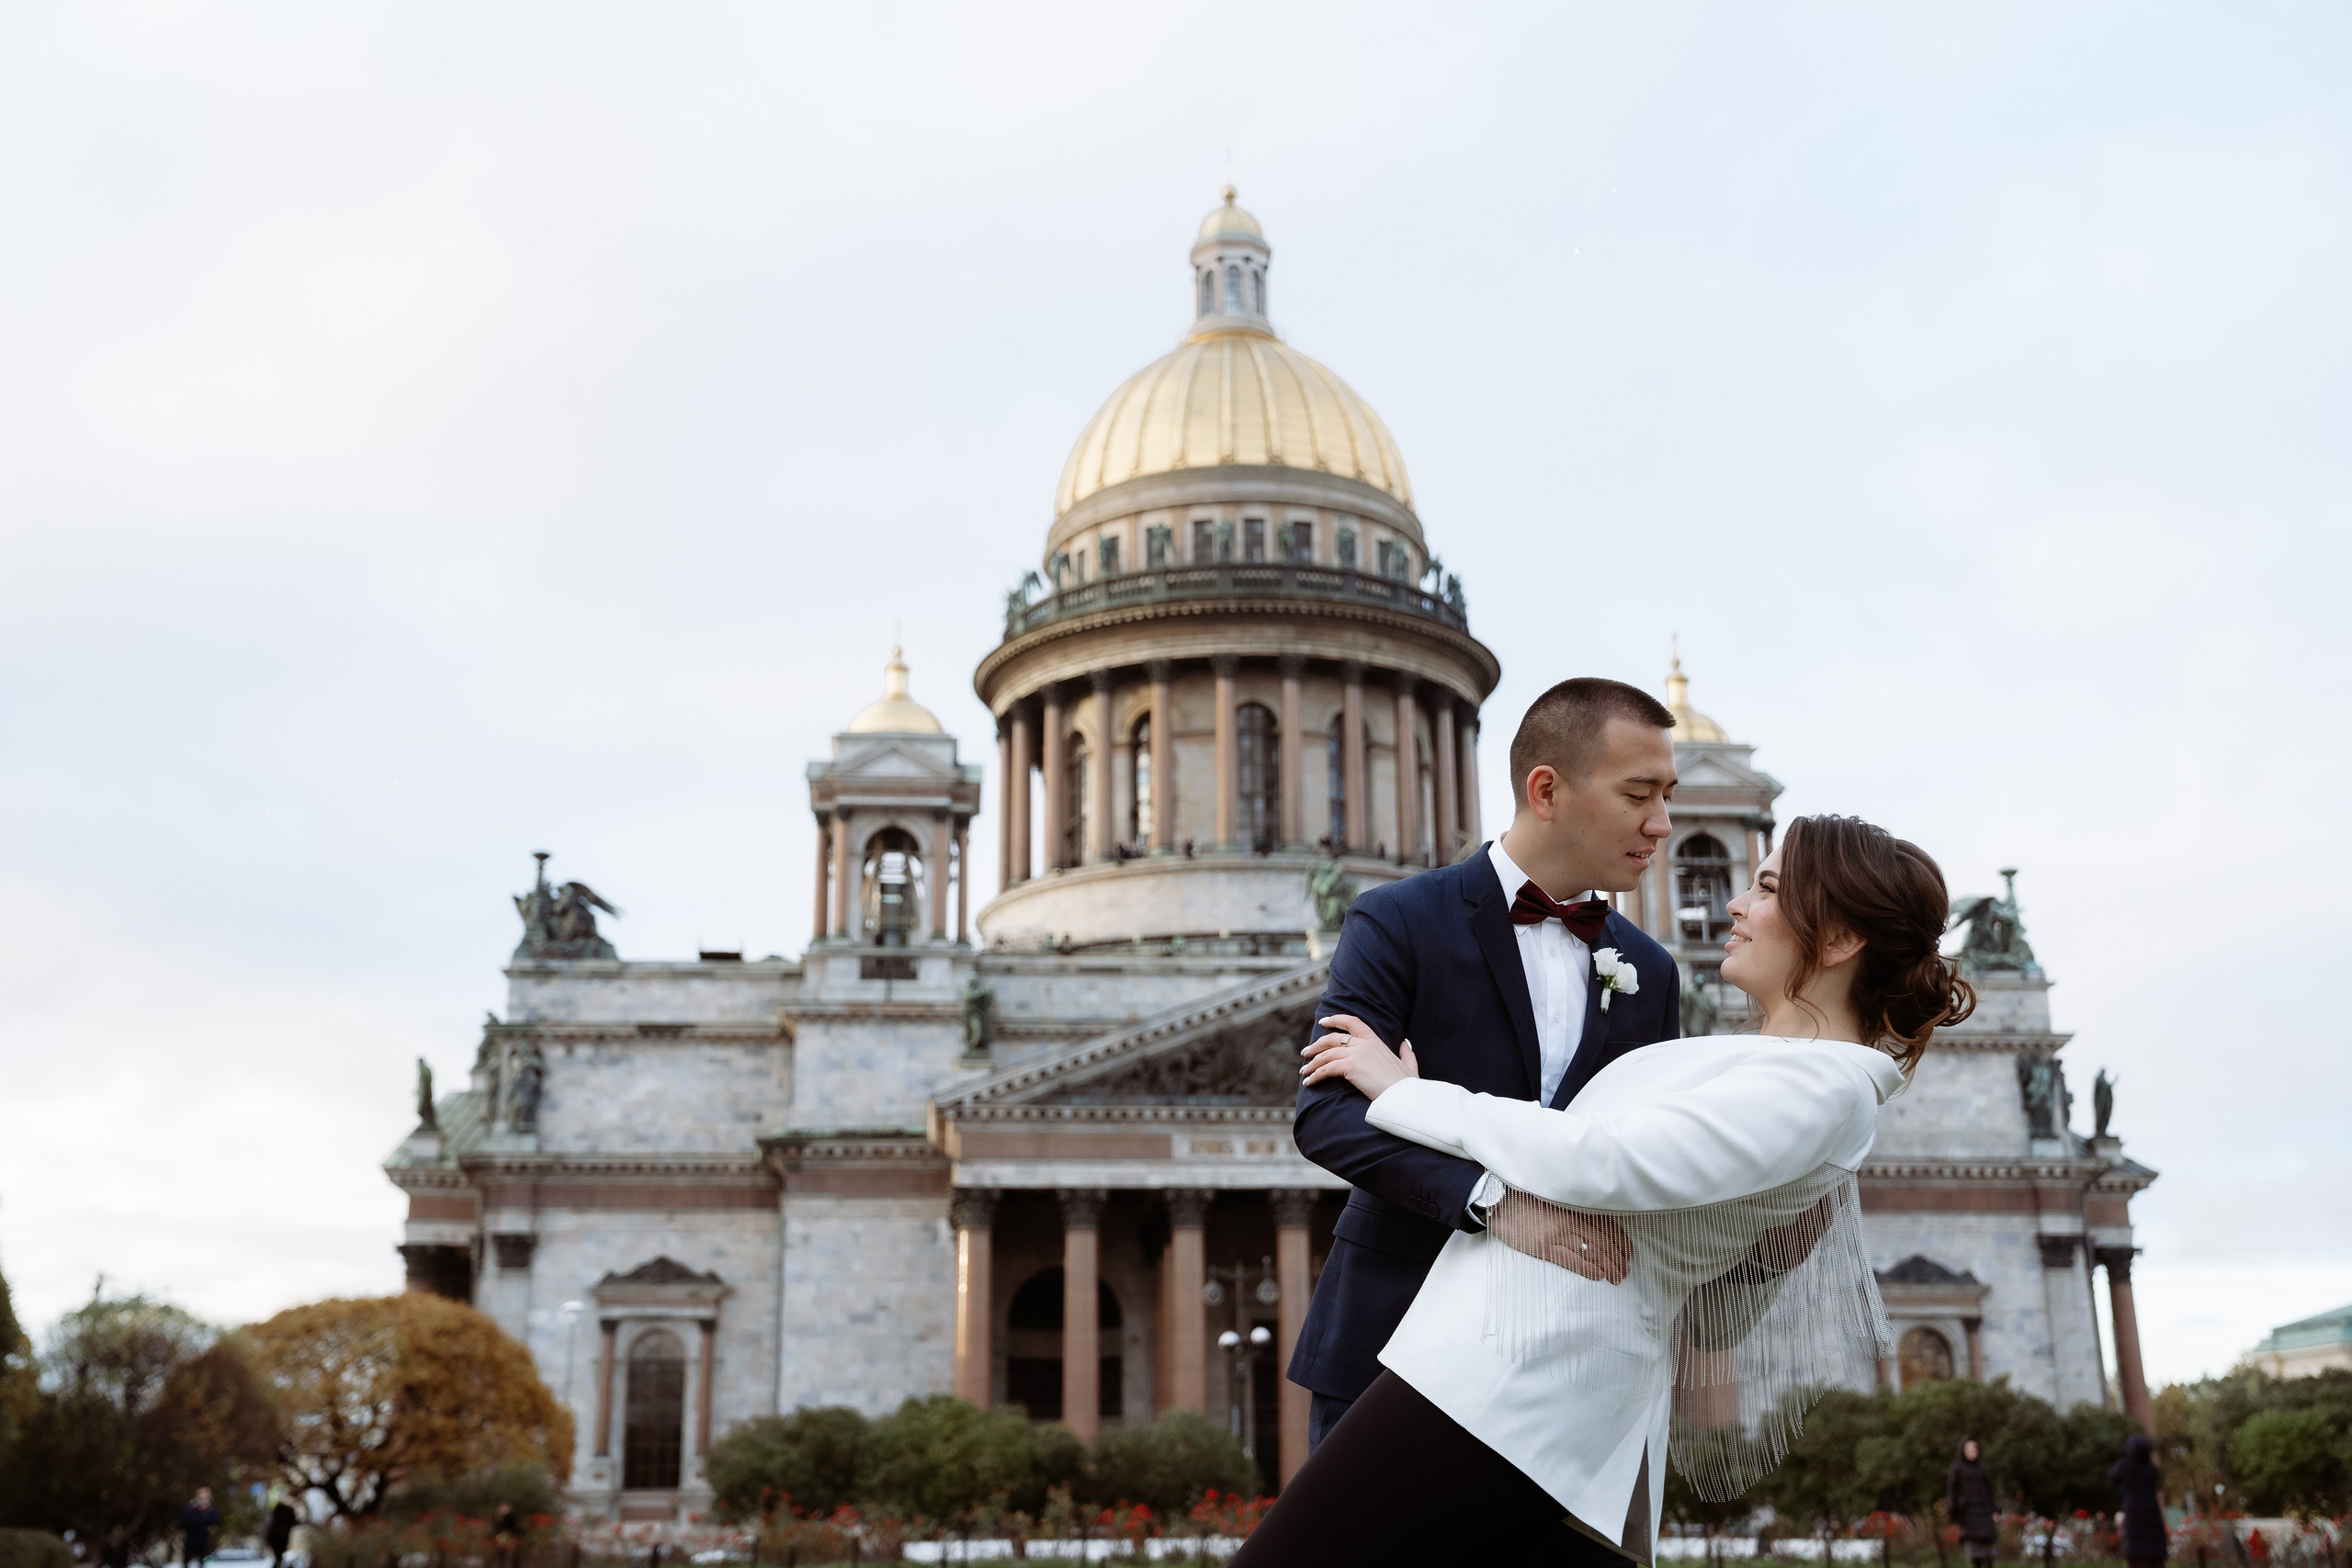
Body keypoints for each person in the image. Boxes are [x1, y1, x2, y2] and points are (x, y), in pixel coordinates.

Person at [1238, 814, 1975, 1567]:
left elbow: (1603, 1160)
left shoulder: (1827, 1085)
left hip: (1517, 1383)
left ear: (1842, 938)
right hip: (1501, 1374)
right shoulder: (1770, 1065)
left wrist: (1405, 1093)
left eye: (1765, 887)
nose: (1735, 904)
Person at [1287, 678, 1684, 1476]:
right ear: (1547, 790)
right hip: (1394, 1341)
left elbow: (1643, 1159)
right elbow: (1325, 1116)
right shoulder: (1397, 920)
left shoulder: (1650, 969)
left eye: (1668, 796)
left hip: (1571, 1365)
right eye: (1639, 794)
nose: (1663, 824)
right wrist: (1495, 1204)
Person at [2111, 1433, 2167, 1568]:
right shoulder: (2152, 1470)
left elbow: (2113, 1474)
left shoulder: (2127, 1467)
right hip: (2154, 1530)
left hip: (2135, 1533)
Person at [1950, 1438, 1998, 1568]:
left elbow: (1989, 1491)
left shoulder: (1982, 1468)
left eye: (1975, 1449)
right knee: (1975, 1554)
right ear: (1963, 1451)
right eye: (1969, 1449)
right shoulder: (1957, 1468)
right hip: (1969, 1514)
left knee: (1989, 1554)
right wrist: (1955, 1512)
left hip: (1985, 1513)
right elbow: (1952, 1492)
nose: (1973, 1451)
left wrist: (1994, 1510)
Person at [180, 1487, 222, 1568]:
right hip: (191, 1539)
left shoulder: (211, 1510)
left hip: (204, 1540)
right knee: (187, 1561)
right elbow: (183, 1522)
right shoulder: (190, 1509)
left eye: (205, 1495)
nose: (203, 1497)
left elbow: (216, 1521)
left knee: (203, 1561)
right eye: (201, 1494)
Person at [265, 1493, 299, 1568]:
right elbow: (293, 1522)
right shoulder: (286, 1510)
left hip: (275, 1536)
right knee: (279, 1557)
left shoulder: (277, 1508)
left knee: (278, 1557)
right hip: (280, 1537)